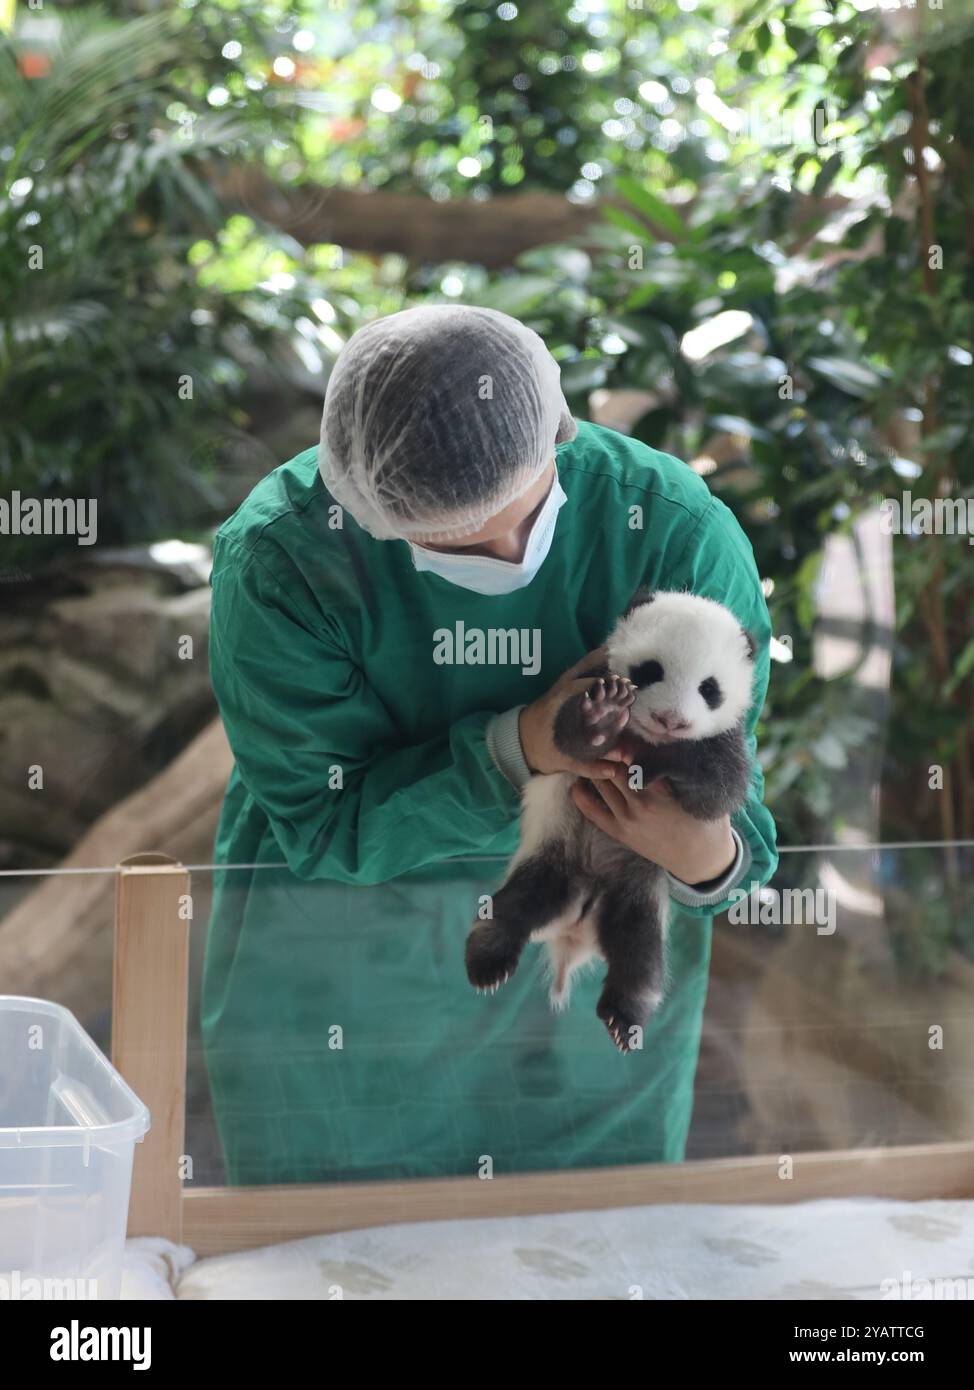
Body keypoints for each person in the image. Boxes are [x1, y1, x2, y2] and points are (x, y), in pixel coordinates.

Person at [201, 304, 777, 1186]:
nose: (509, 554)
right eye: (459, 542)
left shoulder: (672, 531)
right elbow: (321, 822)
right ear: (365, 507)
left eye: (527, 510)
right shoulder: (285, 564)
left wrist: (707, 858)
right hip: (349, 1002)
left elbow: (739, 797)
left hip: (579, 1019)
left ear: (562, 429)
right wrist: (519, 749)